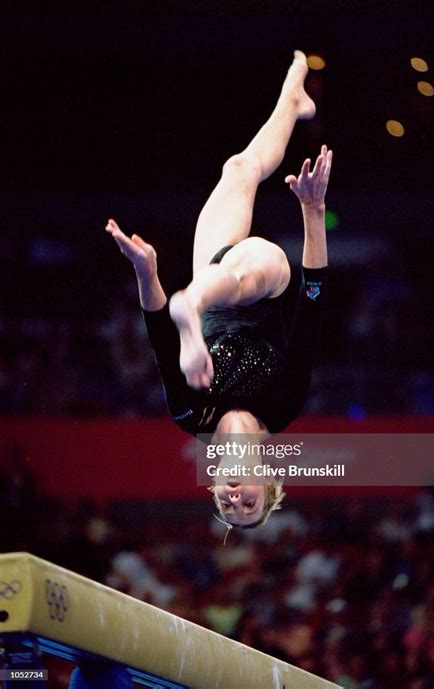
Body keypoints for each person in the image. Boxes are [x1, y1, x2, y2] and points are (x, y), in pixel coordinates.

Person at [106, 50, 332, 530]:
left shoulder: (192, 413)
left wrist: (147, 272)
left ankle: (291, 101)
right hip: (264, 283)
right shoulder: (283, 404)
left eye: (226, 508)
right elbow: (310, 312)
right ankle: (193, 301)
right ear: (268, 480)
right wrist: (313, 213)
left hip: (209, 280)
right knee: (243, 276)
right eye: (249, 505)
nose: (234, 502)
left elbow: (159, 337)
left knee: (240, 169)